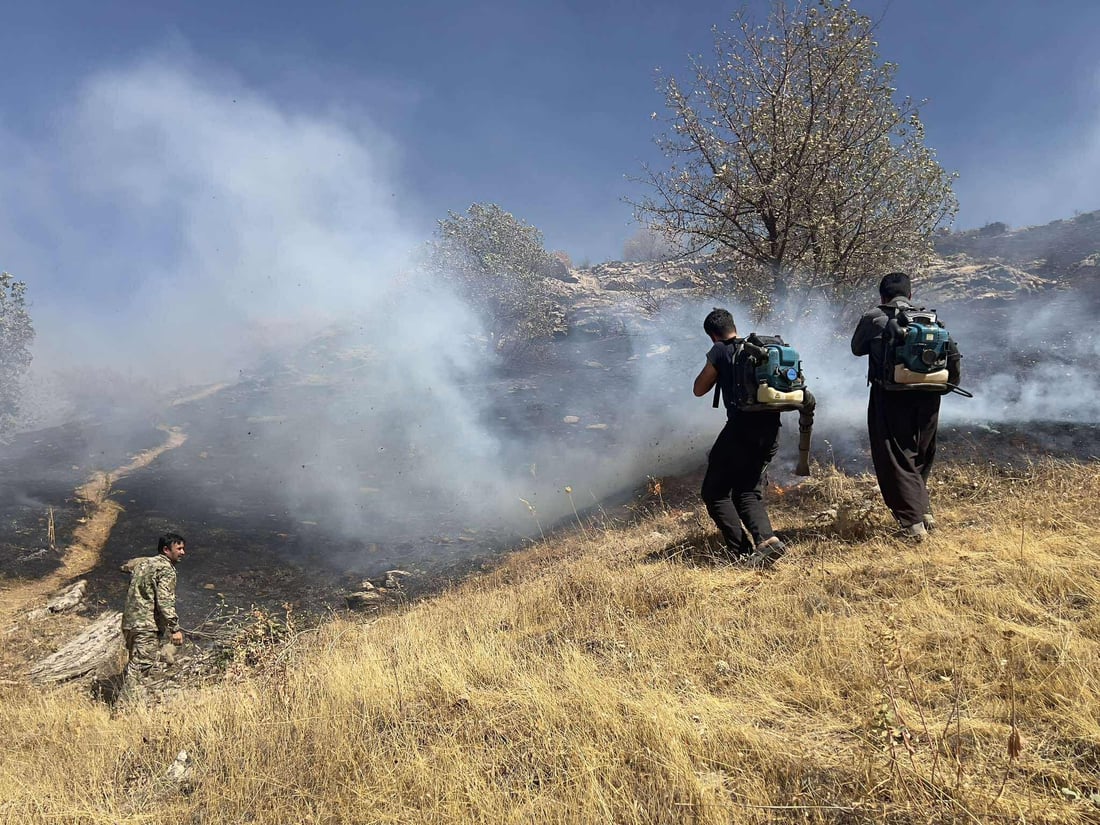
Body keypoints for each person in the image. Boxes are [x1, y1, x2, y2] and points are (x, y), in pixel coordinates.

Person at [693, 308, 816, 567]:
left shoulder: (720, 350)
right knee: (747, 490)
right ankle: (767, 541)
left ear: (713, 335)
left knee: (714, 492)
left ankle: (742, 553)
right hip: (771, 431)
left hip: (740, 429)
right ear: (733, 326)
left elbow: (699, 389)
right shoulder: (759, 350)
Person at [851, 272, 960, 541]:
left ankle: (912, 525)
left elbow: (856, 348)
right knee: (921, 452)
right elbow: (953, 355)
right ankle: (923, 512)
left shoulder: (874, 317)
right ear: (910, 295)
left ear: (882, 296)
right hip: (930, 395)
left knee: (895, 457)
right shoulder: (930, 318)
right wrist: (946, 386)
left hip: (891, 395)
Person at [118, 532, 186, 705]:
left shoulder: (143, 564)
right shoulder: (166, 569)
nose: (183, 552)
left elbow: (125, 566)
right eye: (179, 548)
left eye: (183, 548)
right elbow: (164, 600)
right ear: (166, 549)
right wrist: (175, 628)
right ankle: (124, 711)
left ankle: (126, 702)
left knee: (135, 664)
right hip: (147, 626)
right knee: (141, 666)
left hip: (130, 624)